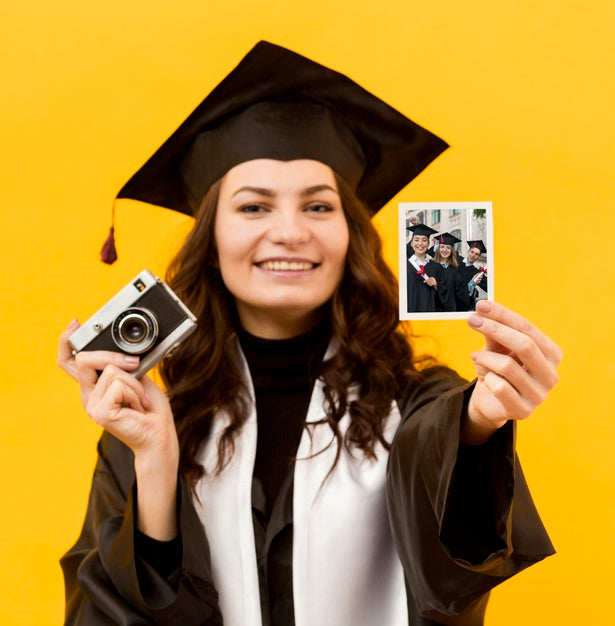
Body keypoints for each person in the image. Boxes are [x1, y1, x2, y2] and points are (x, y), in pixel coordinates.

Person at [57, 41, 561, 626]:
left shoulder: (417, 400)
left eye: (319, 208)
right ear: (211, 244)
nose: (291, 232)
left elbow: (450, 547)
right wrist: (154, 459)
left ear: (351, 237)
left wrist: (481, 419)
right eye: (254, 208)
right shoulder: (152, 418)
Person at [406, 223, 449, 313]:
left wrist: (436, 285)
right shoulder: (404, 265)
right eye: (416, 240)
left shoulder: (437, 267)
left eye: (424, 240)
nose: (420, 244)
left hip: (430, 312)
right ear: (411, 243)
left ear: (429, 244)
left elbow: (446, 295)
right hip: (410, 313)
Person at [433, 232, 462, 312]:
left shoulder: (455, 271)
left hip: (449, 309)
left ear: (451, 251)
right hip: (432, 309)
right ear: (438, 249)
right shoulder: (430, 267)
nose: (445, 250)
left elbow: (459, 294)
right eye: (442, 247)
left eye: (448, 248)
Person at [456, 240, 488, 312]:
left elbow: (489, 286)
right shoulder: (456, 259)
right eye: (472, 252)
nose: (473, 255)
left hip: (462, 306)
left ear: (479, 257)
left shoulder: (476, 273)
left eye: (476, 254)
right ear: (468, 251)